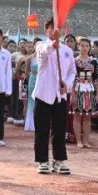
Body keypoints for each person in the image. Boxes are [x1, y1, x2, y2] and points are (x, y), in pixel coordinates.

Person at [32, 18, 76, 174]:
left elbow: (72, 72)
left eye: (57, 28)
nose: (55, 31)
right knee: (42, 129)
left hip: (60, 95)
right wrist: (53, 44)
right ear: (46, 30)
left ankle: (59, 160)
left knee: (59, 129)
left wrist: (67, 85)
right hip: (43, 94)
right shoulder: (41, 45)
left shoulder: (67, 51)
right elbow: (43, 52)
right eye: (51, 28)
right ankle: (42, 161)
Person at [72, 38, 98, 148]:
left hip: (89, 89)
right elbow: (71, 78)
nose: (84, 48)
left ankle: (86, 141)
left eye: (87, 46)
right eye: (82, 45)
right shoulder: (74, 61)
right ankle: (78, 141)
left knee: (88, 117)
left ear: (90, 48)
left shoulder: (94, 61)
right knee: (77, 116)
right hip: (77, 89)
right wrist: (73, 95)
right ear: (78, 47)